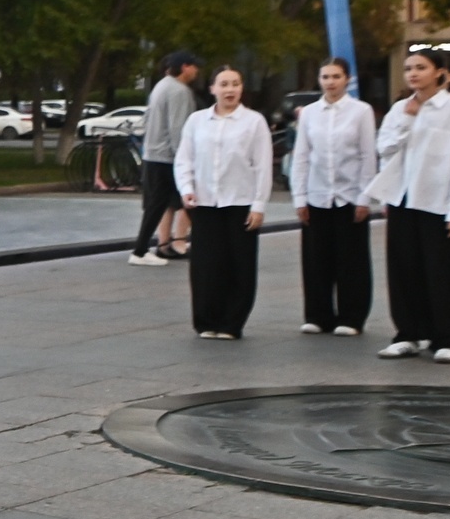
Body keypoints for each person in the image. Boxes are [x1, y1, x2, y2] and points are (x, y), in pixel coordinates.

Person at [369, 49, 450, 363]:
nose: (413, 73)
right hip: (406, 200)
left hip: (442, 203)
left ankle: (447, 338)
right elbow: (385, 148)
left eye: (421, 67)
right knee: (405, 270)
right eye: (408, 68)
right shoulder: (400, 109)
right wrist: (408, 117)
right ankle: (408, 334)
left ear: (439, 72)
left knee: (444, 271)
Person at [175, 66, 272, 340]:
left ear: (242, 88)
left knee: (239, 265)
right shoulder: (196, 121)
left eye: (235, 84)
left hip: (240, 203)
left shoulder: (254, 122)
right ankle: (206, 320)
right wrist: (187, 189)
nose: (230, 89)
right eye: (224, 84)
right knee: (206, 265)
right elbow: (184, 159)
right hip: (205, 203)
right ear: (212, 89)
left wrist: (259, 205)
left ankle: (232, 323)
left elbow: (262, 166)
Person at [290, 57, 375, 336]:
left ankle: (352, 317)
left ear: (347, 79)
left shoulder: (361, 111)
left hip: (349, 196)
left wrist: (364, 196)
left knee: (351, 260)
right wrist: (300, 197)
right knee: (316, 259)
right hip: (317, 195)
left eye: (336, 76)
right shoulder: (310, 113)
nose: (330, 82)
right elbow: (301, 156)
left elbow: (367, 156)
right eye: (325, 76)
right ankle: (318, 315)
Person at [131, 52, 202, 265]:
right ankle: (144, 251)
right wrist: (186, 159)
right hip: (168, 158)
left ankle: (148, 249)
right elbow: (177, 128)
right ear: (184, 67)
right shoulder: (179, 91)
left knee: (158, 205)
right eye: (193, 66)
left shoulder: (161, 86)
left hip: (154, 154)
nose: (196, 71)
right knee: (193, 200)